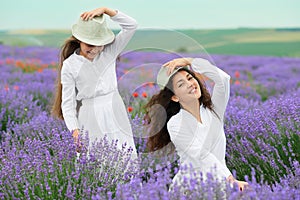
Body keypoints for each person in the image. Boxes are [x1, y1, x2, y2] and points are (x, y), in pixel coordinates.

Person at [144, 57, 248, 191]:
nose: (190, 84)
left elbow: (223, 79)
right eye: (181, 84)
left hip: (221, 181)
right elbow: (201, 155)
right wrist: (231, 180)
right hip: (192, 187)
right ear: (175, 97)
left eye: (190, 78)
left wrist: (190, 61)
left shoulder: (213, 111)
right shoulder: (175, 124)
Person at [51, 7, 137, 155]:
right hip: (89, 113)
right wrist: (75, 131)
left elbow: (131, 25)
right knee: (95, 159)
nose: (95, 50)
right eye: (90, 45)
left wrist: (107, 11)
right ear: (79, 41)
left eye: (100, 44)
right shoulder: (70, 65)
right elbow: (68, 103)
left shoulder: (109, 51)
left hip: (115, 108)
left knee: (123, 154)